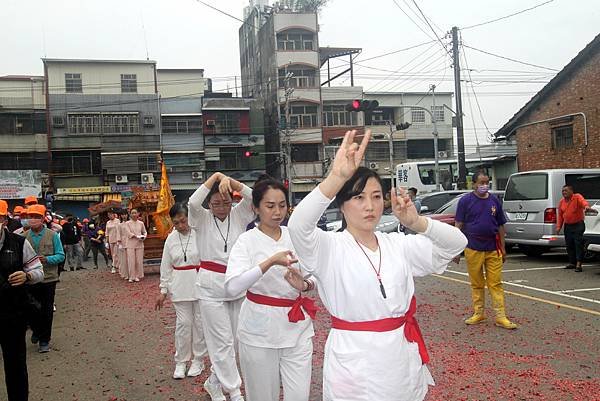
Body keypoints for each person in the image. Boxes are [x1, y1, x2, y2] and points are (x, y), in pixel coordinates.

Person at [287, 130, 467, 401]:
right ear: (342, 205)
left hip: (399, 359)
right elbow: (298, 225)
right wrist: (336, 178)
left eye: (375, 197)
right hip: (354, 363)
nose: (369, 206)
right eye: (358, 198)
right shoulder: (328, 248)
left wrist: (417, 223)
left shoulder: (398, 245)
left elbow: (457, 243)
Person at [225, 178, 317, 401]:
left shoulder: (295, 236)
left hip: (297, 326)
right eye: (270, 206)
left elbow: (315, 275)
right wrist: (269, 263)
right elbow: (232, 287)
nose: (277, 212)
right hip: (259, 330)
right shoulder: (246, 241)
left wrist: (304, 285)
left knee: (299, 395)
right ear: (255, 208)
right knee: (262, 396)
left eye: (282, 205)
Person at [188, 172, 255, 401]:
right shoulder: (201, 217)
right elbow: (192, 202)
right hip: (209, 289)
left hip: (237, 285)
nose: (222, 207)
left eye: (226, 202)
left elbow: (255, 198)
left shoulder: (238, 215)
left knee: (237, 340)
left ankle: (214, 381)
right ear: (209, 203)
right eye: (216, 203)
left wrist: (232, 182)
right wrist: (215, 177)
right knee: (221, 342)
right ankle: (235, 392)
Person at [455, 171, 517, 330]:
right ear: (474, 184)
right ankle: (479, 313)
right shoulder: (465, 201)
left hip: (493, 248)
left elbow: (501, 225)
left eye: (486, 182)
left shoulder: (494, 200)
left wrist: (503, 248)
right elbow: (458, 226)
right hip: (473, 248)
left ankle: (501, 316)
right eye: (481, 183)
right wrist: (455, 250)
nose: (484, 186)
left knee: (495, 283)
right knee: (477, 283)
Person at [155, 203, 209, 380]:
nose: (180, 226)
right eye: (176, 223)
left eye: (183, 221)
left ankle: (198, 359)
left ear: (189, 218)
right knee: (183, 325)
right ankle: (181, 361)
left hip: (200, 283)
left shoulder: (199, 233)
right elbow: (166, 265)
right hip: (179, 285)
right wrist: (163, 290)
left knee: (200, 324)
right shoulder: (171, 239)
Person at [0, 199, 44, 401]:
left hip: (13, 314)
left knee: (15, 365)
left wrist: (27, 276)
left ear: (4, 220)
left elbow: (38, 270)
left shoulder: (19, 243)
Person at [23, 204, 65, 353]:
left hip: (48, 278)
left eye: (36, 217)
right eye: (30, 217)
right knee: (31, 309)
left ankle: (44, 340)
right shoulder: (22, 237)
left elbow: (61, 255)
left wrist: (47, 259)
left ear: (42, 219)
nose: (32, 220)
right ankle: (36, 329)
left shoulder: (52, 235)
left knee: (46, 310)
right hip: (29, 279)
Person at [557, 184, 596, 272]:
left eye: (566, 190)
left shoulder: (577, 197)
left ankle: (579, 264)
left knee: (578, 244)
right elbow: (560, 215)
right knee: (569, 245)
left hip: (578, 225)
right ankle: (572, 262)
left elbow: (583, 202)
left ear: (571, 191)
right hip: (568, 226)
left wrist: (586, 207)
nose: (564, 192)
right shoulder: (561, 202)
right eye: (563, 191)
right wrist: (558, 227)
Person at [124, 209, 146, 282]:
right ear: (130, 214)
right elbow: (128, 233)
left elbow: (144, 232)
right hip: (130, 244)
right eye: (132, 213)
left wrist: (144, 236)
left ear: (138, 214)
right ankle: (131, 276)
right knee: (131, 261)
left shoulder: (141, 223)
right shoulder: (127, 223)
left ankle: (137, 275)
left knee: (138, 261)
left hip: (139, 243)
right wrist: (136, 236)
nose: (134, 214)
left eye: (135, 213)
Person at [117, 210, 130, 280]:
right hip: (123, 241)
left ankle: (132, 273)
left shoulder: (130, 223)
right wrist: (119, 243)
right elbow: (118, 233)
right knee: (124, 259)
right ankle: (125, 274)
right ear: (121, 216)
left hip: (130, 241)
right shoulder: (119, 224)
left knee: (130, 259)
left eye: (125, 214)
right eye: (122, 215)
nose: (124, 216)